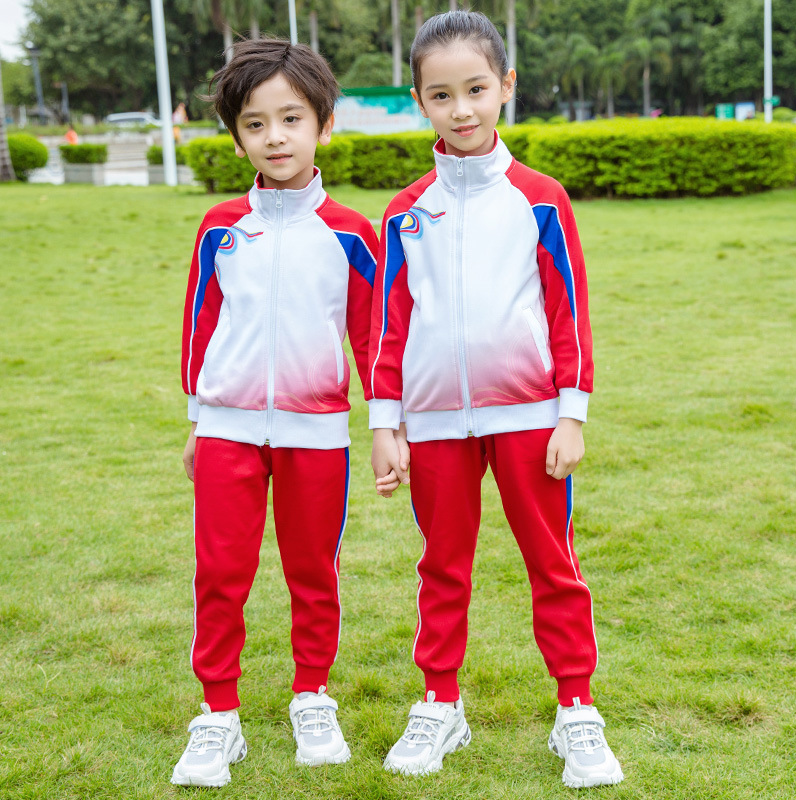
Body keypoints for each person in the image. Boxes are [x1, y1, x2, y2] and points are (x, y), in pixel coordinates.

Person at [367, 10, 623, 788]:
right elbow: (388, 327)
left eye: (476, 89)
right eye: (441, 96)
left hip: (531, 419)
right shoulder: (404, 210)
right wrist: (386, 424)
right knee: (442, 566)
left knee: (553, 563)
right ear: (420, 100)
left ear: (505, 86)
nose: (462, 109)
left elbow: (568, 311)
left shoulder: (541, 199)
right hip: (434, 424)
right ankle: (439, 704)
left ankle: (576, 709)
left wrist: (571, 412)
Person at [173, 38, 378, 788]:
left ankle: (311, 696)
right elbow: (200, 328)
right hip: (227, 431)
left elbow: (372, 339)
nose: (275, 137)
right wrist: (198, 420)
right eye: (255, 124)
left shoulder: (353, 233)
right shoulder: (220, 228)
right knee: (220, 572)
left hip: (316, 435)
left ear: (324, 123)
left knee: (313, 571)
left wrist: (385, 427)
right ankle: (217, 714)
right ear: (236, 138)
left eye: (291, 118)